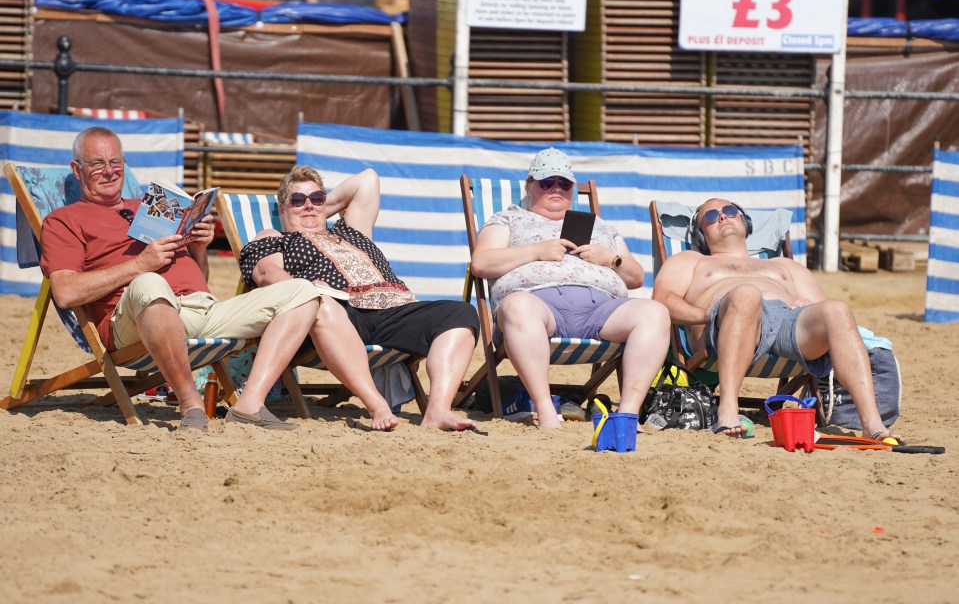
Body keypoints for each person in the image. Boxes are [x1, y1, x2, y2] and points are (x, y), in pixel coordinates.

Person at [41, 126, 321, 432]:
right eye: (97, 164)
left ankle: (249, 405)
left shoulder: (152, 210)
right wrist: (140, 265)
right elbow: (65, 292)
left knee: (303, 291)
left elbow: (198, 279)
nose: (109, 171)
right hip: (133, 321)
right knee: (149, 284)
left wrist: (199, 248)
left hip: (201, 310)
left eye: (116, 162)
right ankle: (191, 405)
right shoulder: (63, 220)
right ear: (77, 169)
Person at [239, 165, 480, 432]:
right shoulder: (276, 238)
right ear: (282, 209)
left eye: (317, 199)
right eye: (297, 200)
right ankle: (376, 404)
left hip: (393, 310)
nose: (308, 205)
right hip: (337, 313)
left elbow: (368, 179)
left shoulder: (351, 230)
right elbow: (266, 273)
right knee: (322, 305)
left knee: (460, 313)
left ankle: (438, 410)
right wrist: (305, 287)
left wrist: (315, 209)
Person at [651, 197, 905, 442]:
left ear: (745, 222)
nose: (722, 217)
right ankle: (727, 411)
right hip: (721, 323)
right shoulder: (691, 260)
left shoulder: (785, 265)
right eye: (710, 215)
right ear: (700, 234)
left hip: (787, 321)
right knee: (746, 294)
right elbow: (663, 299)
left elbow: (821, 306)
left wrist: (810, 305)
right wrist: (704, 314)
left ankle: (872, 424)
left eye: (729, 210)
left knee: (837, 310)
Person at [469, 148, 671, 430]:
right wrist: (537, 251)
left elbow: (636, 277)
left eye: (564, 184)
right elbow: (481, 262)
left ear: (573, 189)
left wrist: (611, 259)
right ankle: (546, 411)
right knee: (518, 307)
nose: (556, 189)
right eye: (546, 182)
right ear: (530, 186)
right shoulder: (508, 219)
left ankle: (626, 414)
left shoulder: (600, 227)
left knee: (655, 312)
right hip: (538, 307)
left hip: (602, 312)